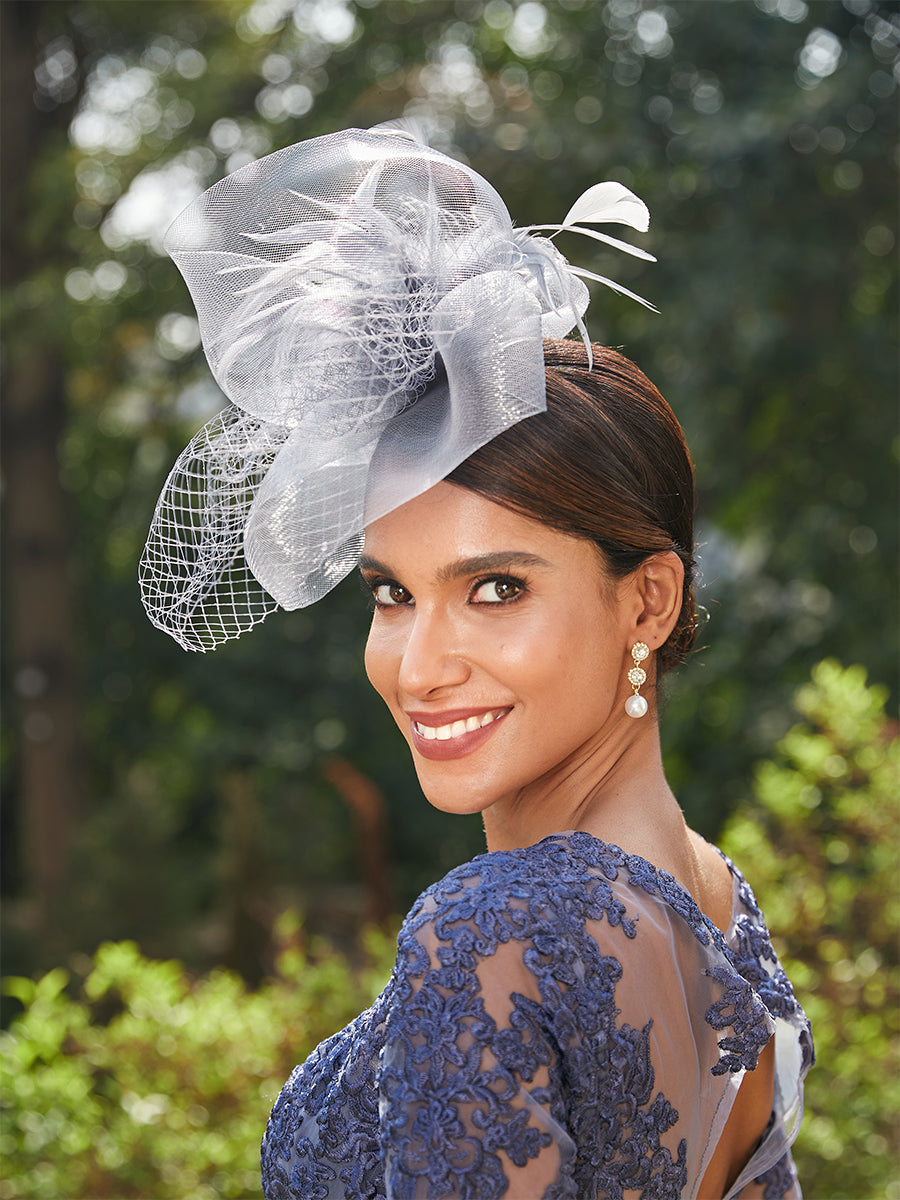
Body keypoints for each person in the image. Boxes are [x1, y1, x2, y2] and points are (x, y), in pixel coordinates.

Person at [140, 124, 813, 1199]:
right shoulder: (716, 900)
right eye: (392, 593)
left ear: (649, 599)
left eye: (496, 588)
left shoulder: (494, 935)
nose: (421, 664)